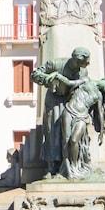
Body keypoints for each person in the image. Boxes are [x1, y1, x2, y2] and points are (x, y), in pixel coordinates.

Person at [31, 47, 91, 175]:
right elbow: (35, 75)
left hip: (71, 102)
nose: (87, 64)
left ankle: (70, 164)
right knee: (52, 131)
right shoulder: (55, 64)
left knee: (69, 135)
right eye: (84, 61)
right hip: (54, 100)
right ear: (77, 60)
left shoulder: (83, 72)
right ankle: (51, 167)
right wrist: (49, 78)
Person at [56, 75, 105, 179]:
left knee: (74, 140)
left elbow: (99, 113)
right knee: (66, 142)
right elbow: (71, 83)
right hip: (69, 111)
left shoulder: (99, 95)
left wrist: (102, 130)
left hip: (82, 117)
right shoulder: (86, 80)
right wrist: (59, 77)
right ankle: (68, 168)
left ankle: (74, 167)